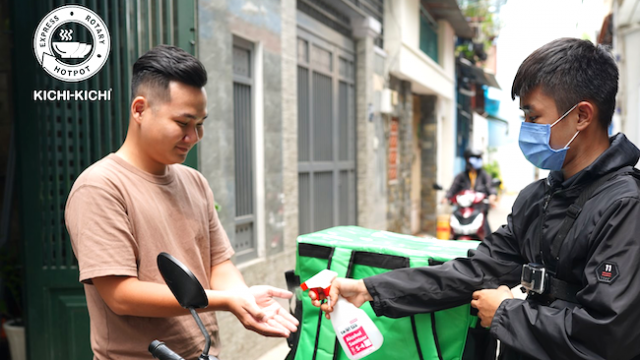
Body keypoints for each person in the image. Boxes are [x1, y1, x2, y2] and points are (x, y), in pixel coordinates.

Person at [312, 37, 640, 360]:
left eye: (534, 116)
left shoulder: (625, 206)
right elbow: (477, 270)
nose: (526, 128)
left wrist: (507, 314)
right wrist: (371, 289)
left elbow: (608, 337)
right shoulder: (538, 198)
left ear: (582, 115)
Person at [65, 45, 298, 359]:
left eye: (200, 124)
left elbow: (218, 263)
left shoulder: (194, 181)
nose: (194, 136)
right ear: (139, 110)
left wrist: (244, 297)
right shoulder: (100, 187)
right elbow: (121, 294)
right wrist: (225, 301)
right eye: (183, 123)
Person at [442, 147, 498, 235]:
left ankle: (489, 245)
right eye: (475, 158)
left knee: (487, 232)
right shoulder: (461, 176)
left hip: (479, 209)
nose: (478, 160)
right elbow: (453, 188)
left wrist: (492, 195)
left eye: (479, 158)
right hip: (463, 209)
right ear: (468, 159)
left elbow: (490, 186)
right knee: (452, 228)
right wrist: (446, 197)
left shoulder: (483, 175)